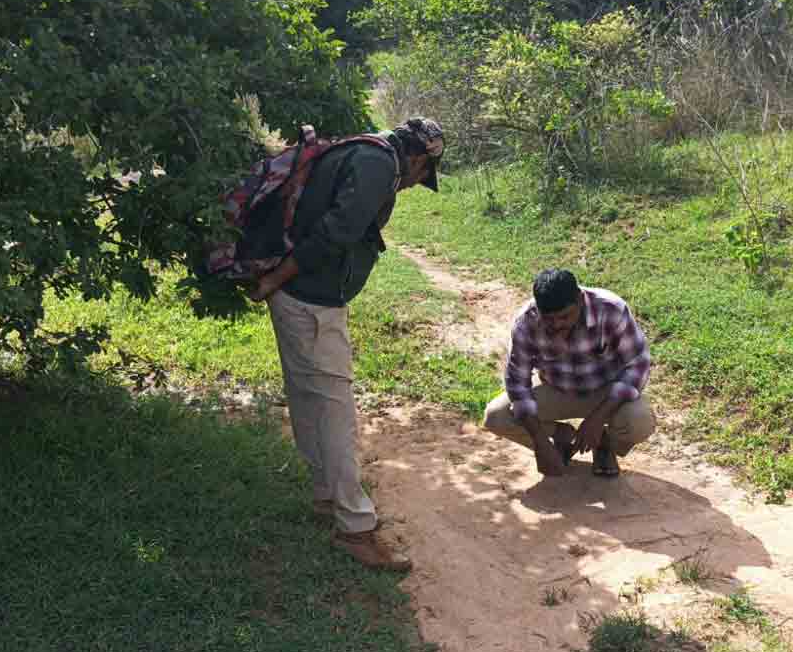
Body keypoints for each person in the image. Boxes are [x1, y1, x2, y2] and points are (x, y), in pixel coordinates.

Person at [249, 117, 445, 571]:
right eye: (420, 176)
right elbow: (336, 232)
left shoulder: (362, 149)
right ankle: (355, 529)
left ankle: (326, 496)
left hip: (296, 297)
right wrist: (276, 278)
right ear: (417, 159)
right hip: (312, 302)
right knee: (335, 411)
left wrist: (277, 281)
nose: (412, 186)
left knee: (308, 397)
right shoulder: (379, 165)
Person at [484, 269, 655, 478]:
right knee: (497, 417)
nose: (557, 325)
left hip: (607, 392)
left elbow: (638, 364)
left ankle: (605, 443)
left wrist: (598, 419)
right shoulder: (526, 322)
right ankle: (561, 437)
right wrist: (540, 441)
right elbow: (517, 384)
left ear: (580, 300)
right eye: (549, 319)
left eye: (565, 316)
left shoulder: (611, 309)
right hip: (555, 389)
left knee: (639, 421)